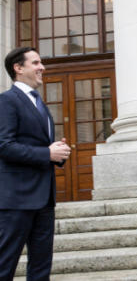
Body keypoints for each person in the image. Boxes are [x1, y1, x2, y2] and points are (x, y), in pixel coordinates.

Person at [0, 47, 71, 280]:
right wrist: (46, 154)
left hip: (44, 199)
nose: (42, 67)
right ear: (18, 68)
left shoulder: (39, 103)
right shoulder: (7, 101)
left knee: (41, 269)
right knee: (4, 264)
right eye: (36, 63)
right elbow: (4, 146)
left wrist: (58, 153)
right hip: (17, 200)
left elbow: (39, 145)